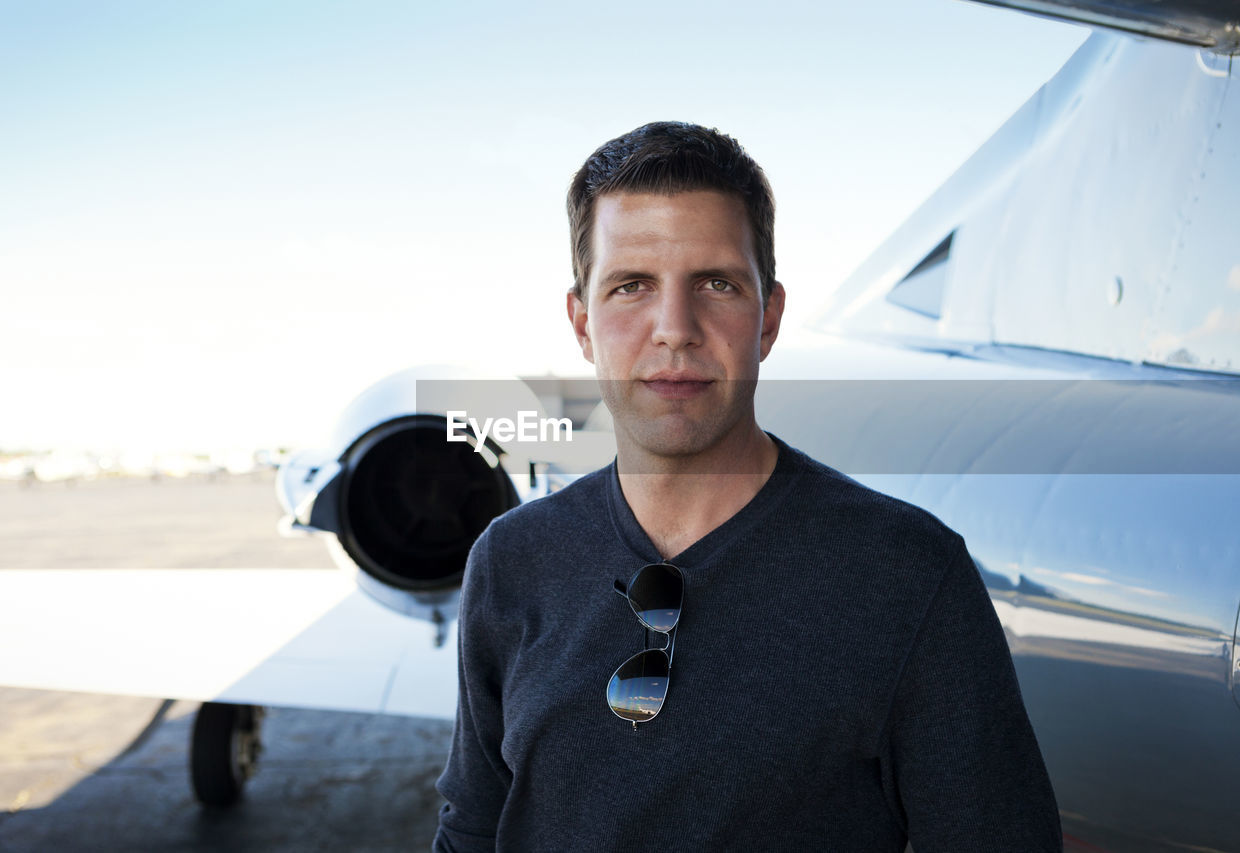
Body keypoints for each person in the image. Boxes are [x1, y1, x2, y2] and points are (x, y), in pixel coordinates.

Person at [433, 121, 1061, 851]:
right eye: (632, 285)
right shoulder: (511, 560)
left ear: (768, 317)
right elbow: (472, 827)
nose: (675, 328)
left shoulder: (911, 575)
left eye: (717, 284)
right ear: (582, 323)